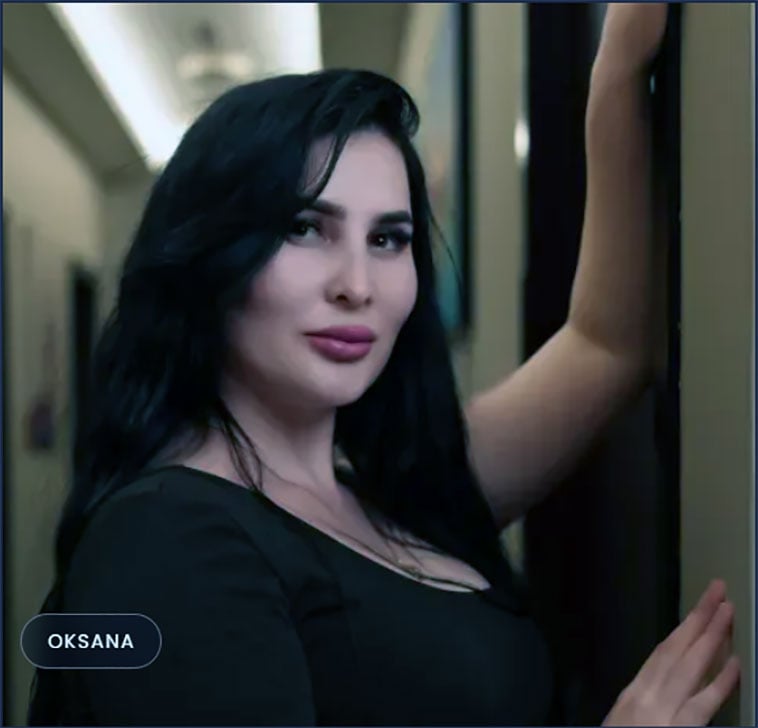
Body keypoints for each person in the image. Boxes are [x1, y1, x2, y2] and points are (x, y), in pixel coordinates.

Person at [27, 4, 739, 726]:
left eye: (388, 239)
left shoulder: (394, 485)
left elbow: (608, 345)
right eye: (306, 227)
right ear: (210, 255)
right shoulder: (166, 539)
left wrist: (618, 76)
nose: (357, 286)